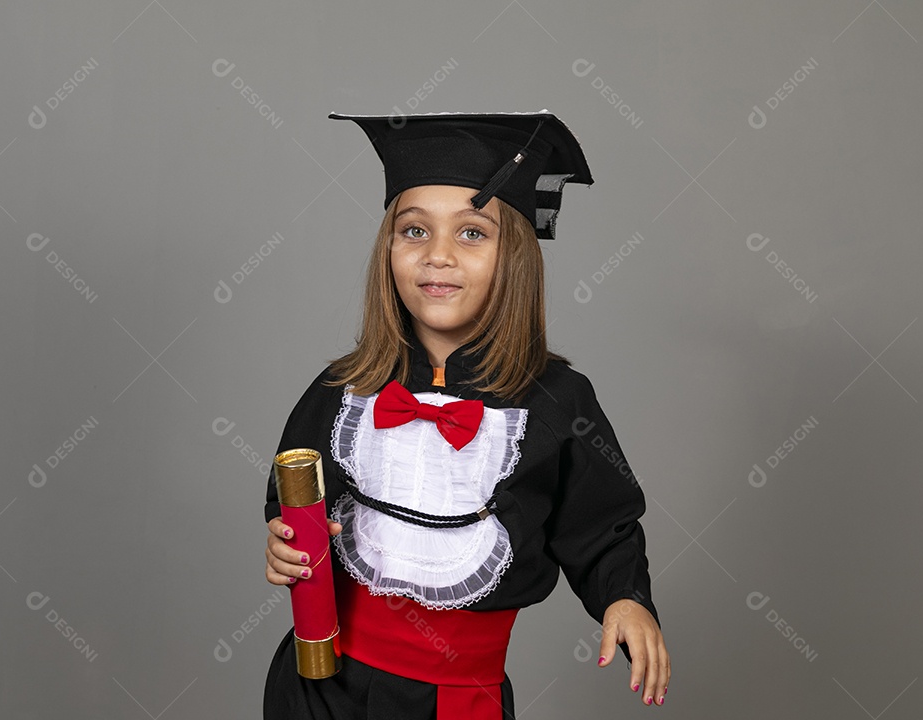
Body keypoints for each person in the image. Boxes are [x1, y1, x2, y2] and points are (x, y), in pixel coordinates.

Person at [261, 110, 670, 719]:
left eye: (472, 233)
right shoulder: (341, 388)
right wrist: (283, 541)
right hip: (318, 685)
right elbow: (293, 493)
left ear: (516, 255)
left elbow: (600, 525)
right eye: (414, 231)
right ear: (388, 248)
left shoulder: (559, 401)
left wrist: (626, 598)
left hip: (455, 698)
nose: (439, 256)